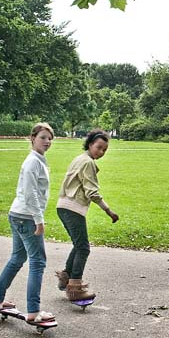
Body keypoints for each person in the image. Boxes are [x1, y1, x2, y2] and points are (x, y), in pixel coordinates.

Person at [0, 123, 56, 324]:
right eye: (43, 137)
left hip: (18, 214)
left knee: (17, 258)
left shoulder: (37, 160)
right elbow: (30, 193)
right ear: (32, 138)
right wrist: (39, 220)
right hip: (26, 217)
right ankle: (34, 311)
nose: (47, 141)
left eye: (50, 138)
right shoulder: (32, 162)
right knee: (38, 262)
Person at [54, 129, 119, 302]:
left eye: (104, 150)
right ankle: (75, 287)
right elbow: (92, 192)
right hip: (72, 208)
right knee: (83, 248)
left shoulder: (79, 159)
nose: (101, 152)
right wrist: (108, 210)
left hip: (63, 206)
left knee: (78, 244)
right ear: (90, 144)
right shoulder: (87, 162)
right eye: (99, 147)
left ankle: (66, 275)